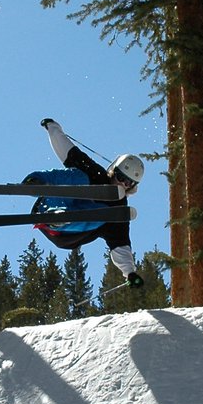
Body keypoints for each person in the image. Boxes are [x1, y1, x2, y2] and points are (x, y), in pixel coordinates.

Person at [29, 118, 146, 288]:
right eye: (121, 178)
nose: (123, 184)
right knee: (79, 175)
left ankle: (62, 220)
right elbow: (69, 152)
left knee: (103, 213)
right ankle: (39, 187)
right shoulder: (95, 172)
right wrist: (53, 129)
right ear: (113, 171)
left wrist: (130, 272)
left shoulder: (118, 212)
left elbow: (120, 244)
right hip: (47, 208)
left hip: (68, 235)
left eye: (129, 183)